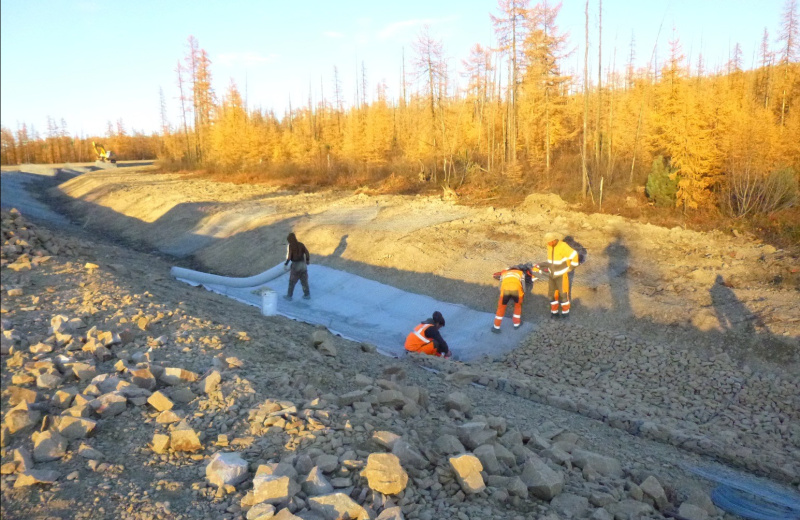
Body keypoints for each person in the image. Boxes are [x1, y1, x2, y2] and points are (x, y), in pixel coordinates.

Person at [544, 232, 579, 317]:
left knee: (563, 295)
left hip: (561, 275)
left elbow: (574, 255)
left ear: (554, 240)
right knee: (552, 295)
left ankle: (565, 313)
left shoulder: (563, 246)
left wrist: (571, 267)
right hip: (552, 275)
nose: (548, 244)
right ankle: (554, 312)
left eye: (549, 242)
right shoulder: (549, 246)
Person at [492, 264, 535, 333]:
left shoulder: (504, 273)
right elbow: (523, 284)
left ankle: (496, 327)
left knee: (501, 308)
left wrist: (502, 293)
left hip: (505, 291)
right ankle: (516, 324)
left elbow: (500, 286)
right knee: (517, 306)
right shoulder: (520, 273)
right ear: (517, 269)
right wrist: (523, 292)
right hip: (516, 290)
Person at [284, 232, 310, 300]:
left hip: (296, 265)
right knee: (304, 281)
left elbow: (289, 256)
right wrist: (307, 260)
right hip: (303, 264)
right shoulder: (301, 244)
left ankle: (289, 296)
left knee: (292, 282)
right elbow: (307, 252)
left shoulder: (291, 246)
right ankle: (307, 295)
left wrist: (286, 264)